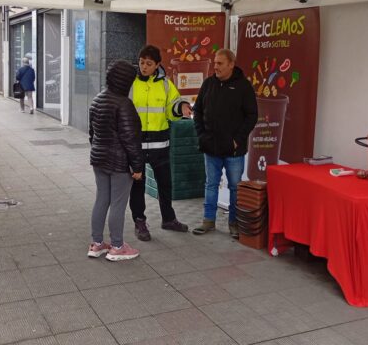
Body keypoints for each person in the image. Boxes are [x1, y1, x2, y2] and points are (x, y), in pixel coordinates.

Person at [128, 45, 192, 241]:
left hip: (160, 145)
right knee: (137, 186)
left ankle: (168, 219)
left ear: (157, 65)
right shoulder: (130, 83)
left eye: (149, 63)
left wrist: (180, 107)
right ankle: (140, 222)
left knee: (165, 184)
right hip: (137, 146)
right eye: (141, 62)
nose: (144, 67)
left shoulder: (165, 84)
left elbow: (172, 105)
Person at [192, 49, 258, 238]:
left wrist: (238, 140)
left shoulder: (243, 87)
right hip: (210, 147)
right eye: (215, 63)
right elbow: (197, 111)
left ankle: (234, 223)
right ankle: (208, 221)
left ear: (231, 64)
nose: (216, 67)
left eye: (220, 63)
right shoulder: (208, 84)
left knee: (235, 187)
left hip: (233, 151)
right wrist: (201, 135)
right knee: (211, 184)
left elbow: (252, 116)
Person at [87, 61, 144, 261]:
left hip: (98, 159)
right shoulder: (124, 104)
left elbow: (92, 134)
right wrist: (137, 166)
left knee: (101, 199)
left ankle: (96, 244)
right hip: (119, 163)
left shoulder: (97, 99)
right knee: (118, 204)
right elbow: (131, 139)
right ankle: (118, 246)